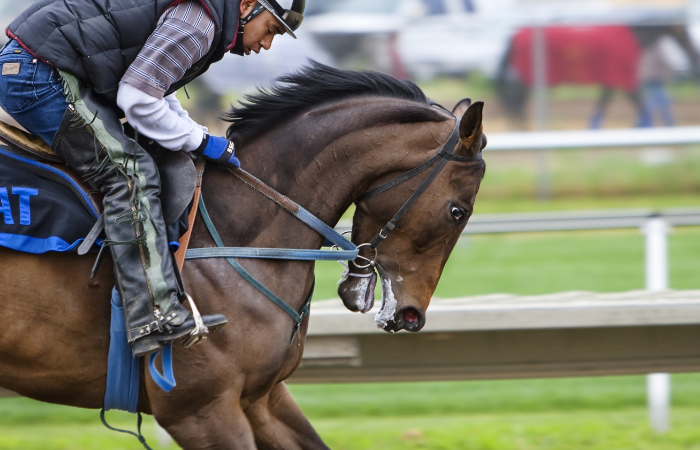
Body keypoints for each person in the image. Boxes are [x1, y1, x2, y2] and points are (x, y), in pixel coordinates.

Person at [0, 0, 305, 357]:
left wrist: (196, 135)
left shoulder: (206, 17)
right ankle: (152, 314)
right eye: (270, 29)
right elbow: (139, 98)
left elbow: (157, 90)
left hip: (42, 65)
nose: (266, 44)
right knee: (130, 174)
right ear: (248, 5)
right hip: (39, 74)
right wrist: (203, 141)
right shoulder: (199, 24)